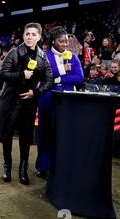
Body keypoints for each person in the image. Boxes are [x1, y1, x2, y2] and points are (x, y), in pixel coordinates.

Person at [0, 22, 53, 185]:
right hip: (11, 101)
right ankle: (7, 166)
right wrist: (21, 75)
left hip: (29, 102)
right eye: (27, 34)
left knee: (26, 137)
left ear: (39, 37)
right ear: (23, 35)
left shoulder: (42, 56)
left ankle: (23, 169)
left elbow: (49, 80)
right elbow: (3, 75)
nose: (30, 37)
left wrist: (36, 92)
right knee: (7, 135)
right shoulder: (13, 52)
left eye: (34, 34)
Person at [35, 27, 84, 178]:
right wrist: (63, 69)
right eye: (61, 41)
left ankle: (60, 166)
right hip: (47, 101)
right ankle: (43, 167)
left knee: (63, 136)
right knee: (45, 135)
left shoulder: (74, 58)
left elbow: (79, 78)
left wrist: (57, 79)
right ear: (53, 42)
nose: (64, 44)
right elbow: (43, 75)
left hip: (67, 102)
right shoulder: (45, 56)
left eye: (66, 41)